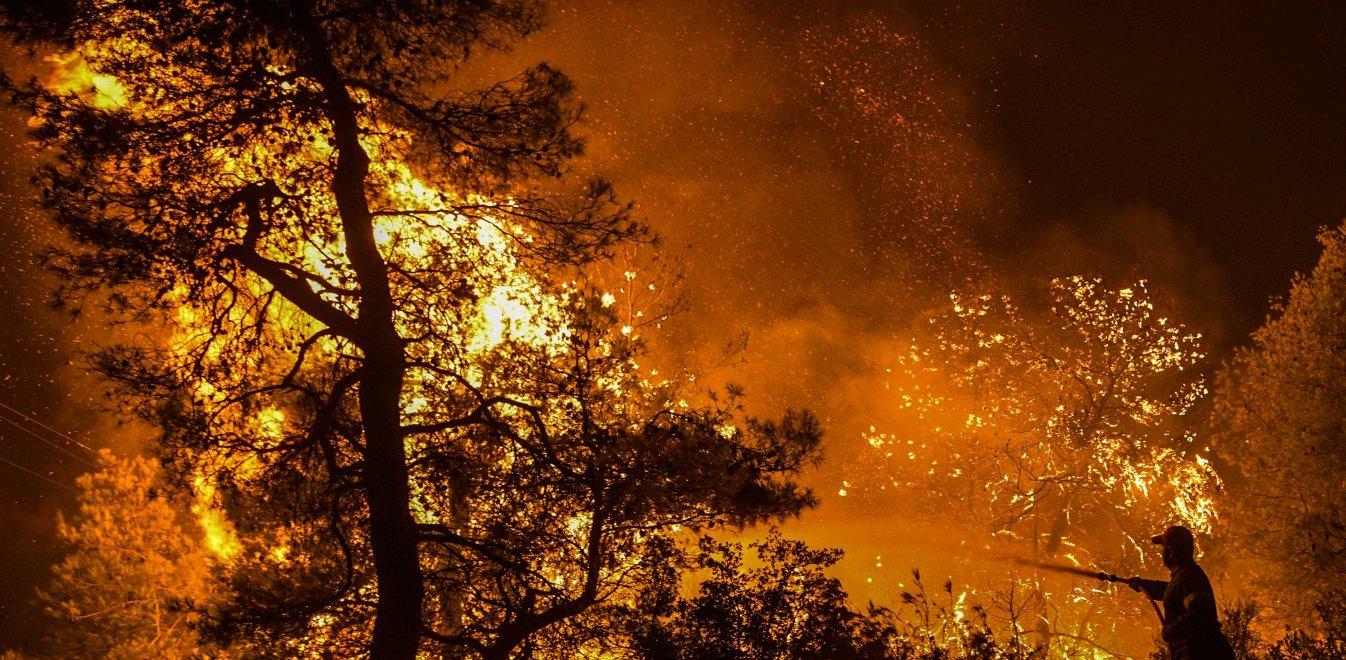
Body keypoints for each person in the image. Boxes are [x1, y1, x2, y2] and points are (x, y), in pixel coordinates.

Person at [1128, 525, 1236, 660]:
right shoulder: (1183, 576)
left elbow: (1200, 615)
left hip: (1201, 653)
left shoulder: (1189, 575)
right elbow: (1170, 592)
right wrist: (1144, 585)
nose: (1162, 552)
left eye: (1164, 547)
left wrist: (1171, 629)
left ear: (1171, 550)